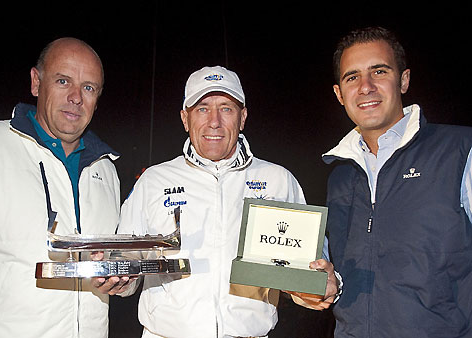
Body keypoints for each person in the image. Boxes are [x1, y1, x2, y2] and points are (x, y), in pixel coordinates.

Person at [94, 65, 339, 337]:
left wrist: (323, 285)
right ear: (185, 119)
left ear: (242, 117)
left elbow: (309, 274)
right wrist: (118, 279)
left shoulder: (278, 180)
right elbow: (128, 262)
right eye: (202, 108)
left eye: (226, 108)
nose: (214, 121)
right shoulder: (154, 180)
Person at [323, 26, 472, 338]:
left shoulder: (460, 150)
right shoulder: (340, 174)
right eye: (352, 77)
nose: (366, 86)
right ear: (339, 93)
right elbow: (347, 275)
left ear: (403, 80)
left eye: (379, 71)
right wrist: (327, 286)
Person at [0, 38, 121, 338]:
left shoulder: (107, 170)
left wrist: (123, 279)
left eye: (89, 87)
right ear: (36, 82)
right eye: (63, 81)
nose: (76, 97)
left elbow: (115, 261)